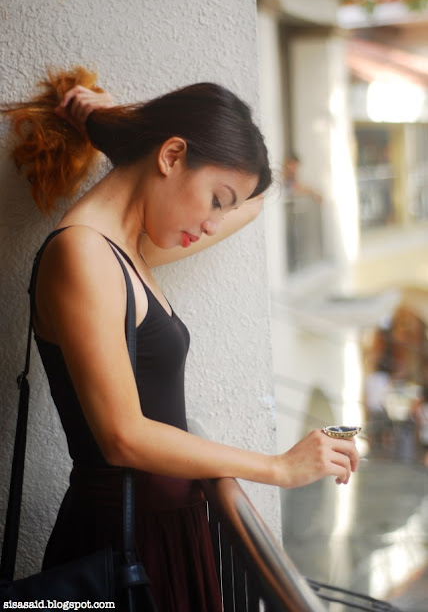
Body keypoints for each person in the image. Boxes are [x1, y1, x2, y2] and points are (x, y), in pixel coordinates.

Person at [1, 67, 359, 611]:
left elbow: (255, 201)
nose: (215, 223)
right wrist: (278, 467)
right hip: (122, 549)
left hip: (164, 534)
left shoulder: (129, 250)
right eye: (216, 199)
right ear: (171, 156)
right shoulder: (83, 253)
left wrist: (108, 123)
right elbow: (123, 435)